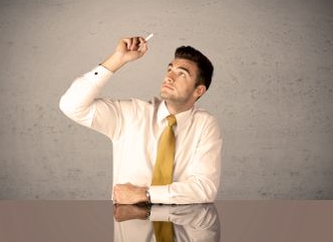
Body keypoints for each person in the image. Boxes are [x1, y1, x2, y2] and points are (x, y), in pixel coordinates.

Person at [59, 36, 222, 204]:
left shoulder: (205, 125)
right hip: (129, 223)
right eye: (169, 70)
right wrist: (118, 59)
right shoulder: (130, 114)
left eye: (181, 74)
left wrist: (144, 194)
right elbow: (71, 105)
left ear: (199, 90)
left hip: (181, 225)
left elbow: (204, 188)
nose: (169, 78)